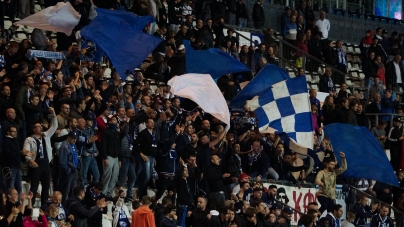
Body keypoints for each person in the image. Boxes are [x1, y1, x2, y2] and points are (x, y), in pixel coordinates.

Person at [23, 107, 57, 206]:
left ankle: (45, 208)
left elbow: (54, 127)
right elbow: (26, 152)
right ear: (34, 129)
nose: (41, 127)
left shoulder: (46, 136)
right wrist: (30, 160)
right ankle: (30, 207)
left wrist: (54, 115)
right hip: (36, 164)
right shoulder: (29, 139)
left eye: (41, 126)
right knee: (34, 187)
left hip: (46, 164)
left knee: (46, 187)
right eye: (38, 126)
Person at [58, 131, 80, 204]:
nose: (74, 140)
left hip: (74, 170)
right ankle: (64, 206)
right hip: (68, 171)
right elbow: (62, 161)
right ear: (68, 137)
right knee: (66, 191)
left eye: (75, 138)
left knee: (73, 190)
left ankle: (71, 206)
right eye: (73, 138)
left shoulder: (74, 145)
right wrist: (68, 169)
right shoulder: (64, 146)